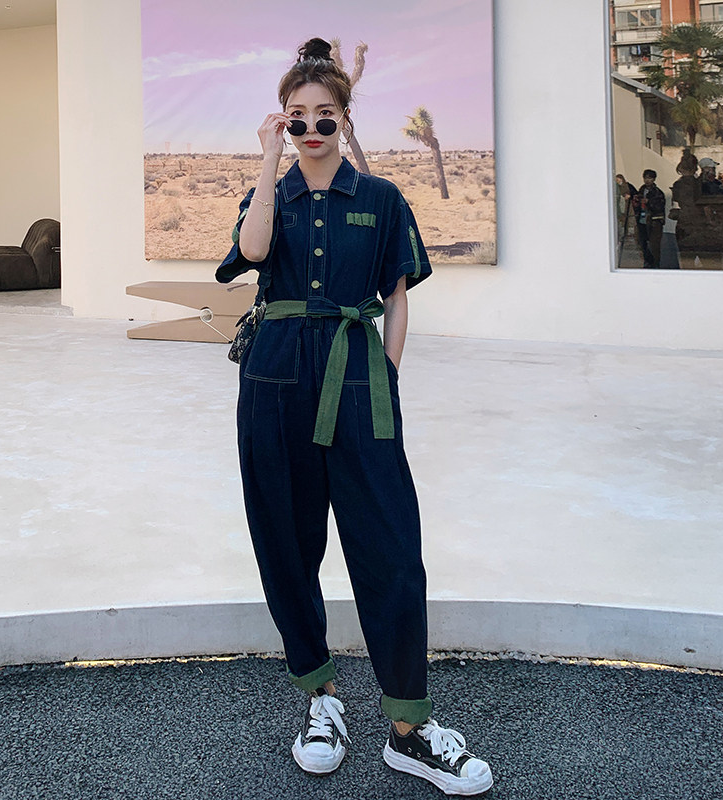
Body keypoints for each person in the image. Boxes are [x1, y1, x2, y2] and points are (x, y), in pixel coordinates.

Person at [215, 37, 493, 796]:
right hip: (274, 377)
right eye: (296, 116)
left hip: (357, 374)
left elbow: (397, 296)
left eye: (324, 115)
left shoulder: (381, 198)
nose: (311, 128)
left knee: (390, 545)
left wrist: (387, 376)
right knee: (285, 539)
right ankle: (321, 700)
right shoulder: (268, 194)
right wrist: (267, 162)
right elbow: (251, 252)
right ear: (282, 121)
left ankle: (409, 728)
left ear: (344, 117)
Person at [632, 169, 666, 268]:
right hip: (642, 220)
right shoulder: (641, 191)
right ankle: (647, 262)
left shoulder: (657, 192)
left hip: (654, 221)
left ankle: (655, 264)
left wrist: (649, 202)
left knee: (654, 245)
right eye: (645, 178)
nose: (647, 180)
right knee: (642, 243)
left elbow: (660, 207)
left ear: (654, 179)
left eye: (650, 178)